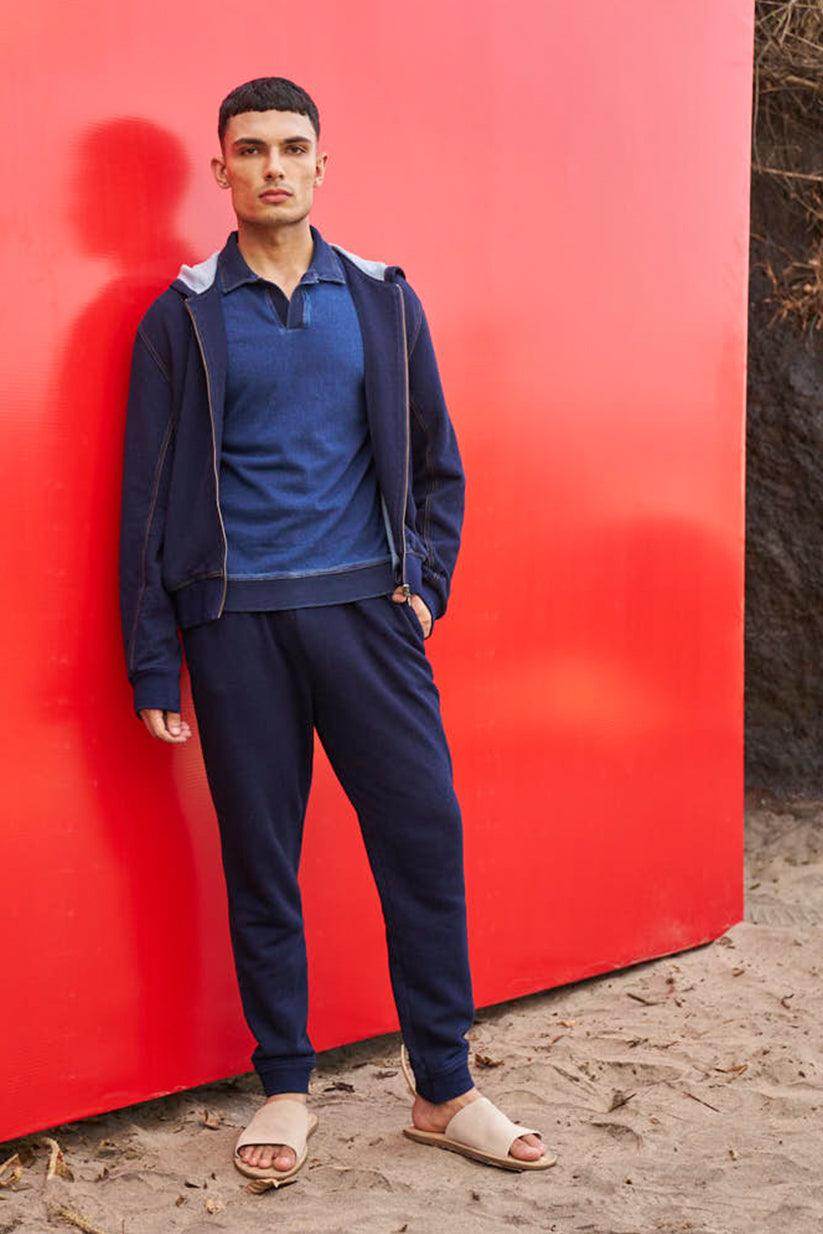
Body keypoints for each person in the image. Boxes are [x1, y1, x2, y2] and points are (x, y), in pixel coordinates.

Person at [119, 75, 554, 1188]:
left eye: (291, 146)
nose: (272, 165)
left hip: (368, 617)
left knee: (424, 839)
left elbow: (437, 461)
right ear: (220, 168)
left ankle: (443, 1087)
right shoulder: (181, 316)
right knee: (263, 861)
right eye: (250, 148)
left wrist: (425, 587)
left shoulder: (381, 299)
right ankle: (285, 1084)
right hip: (235, 628)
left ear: (321, 163)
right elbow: (146, 500)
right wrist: (152, 655)